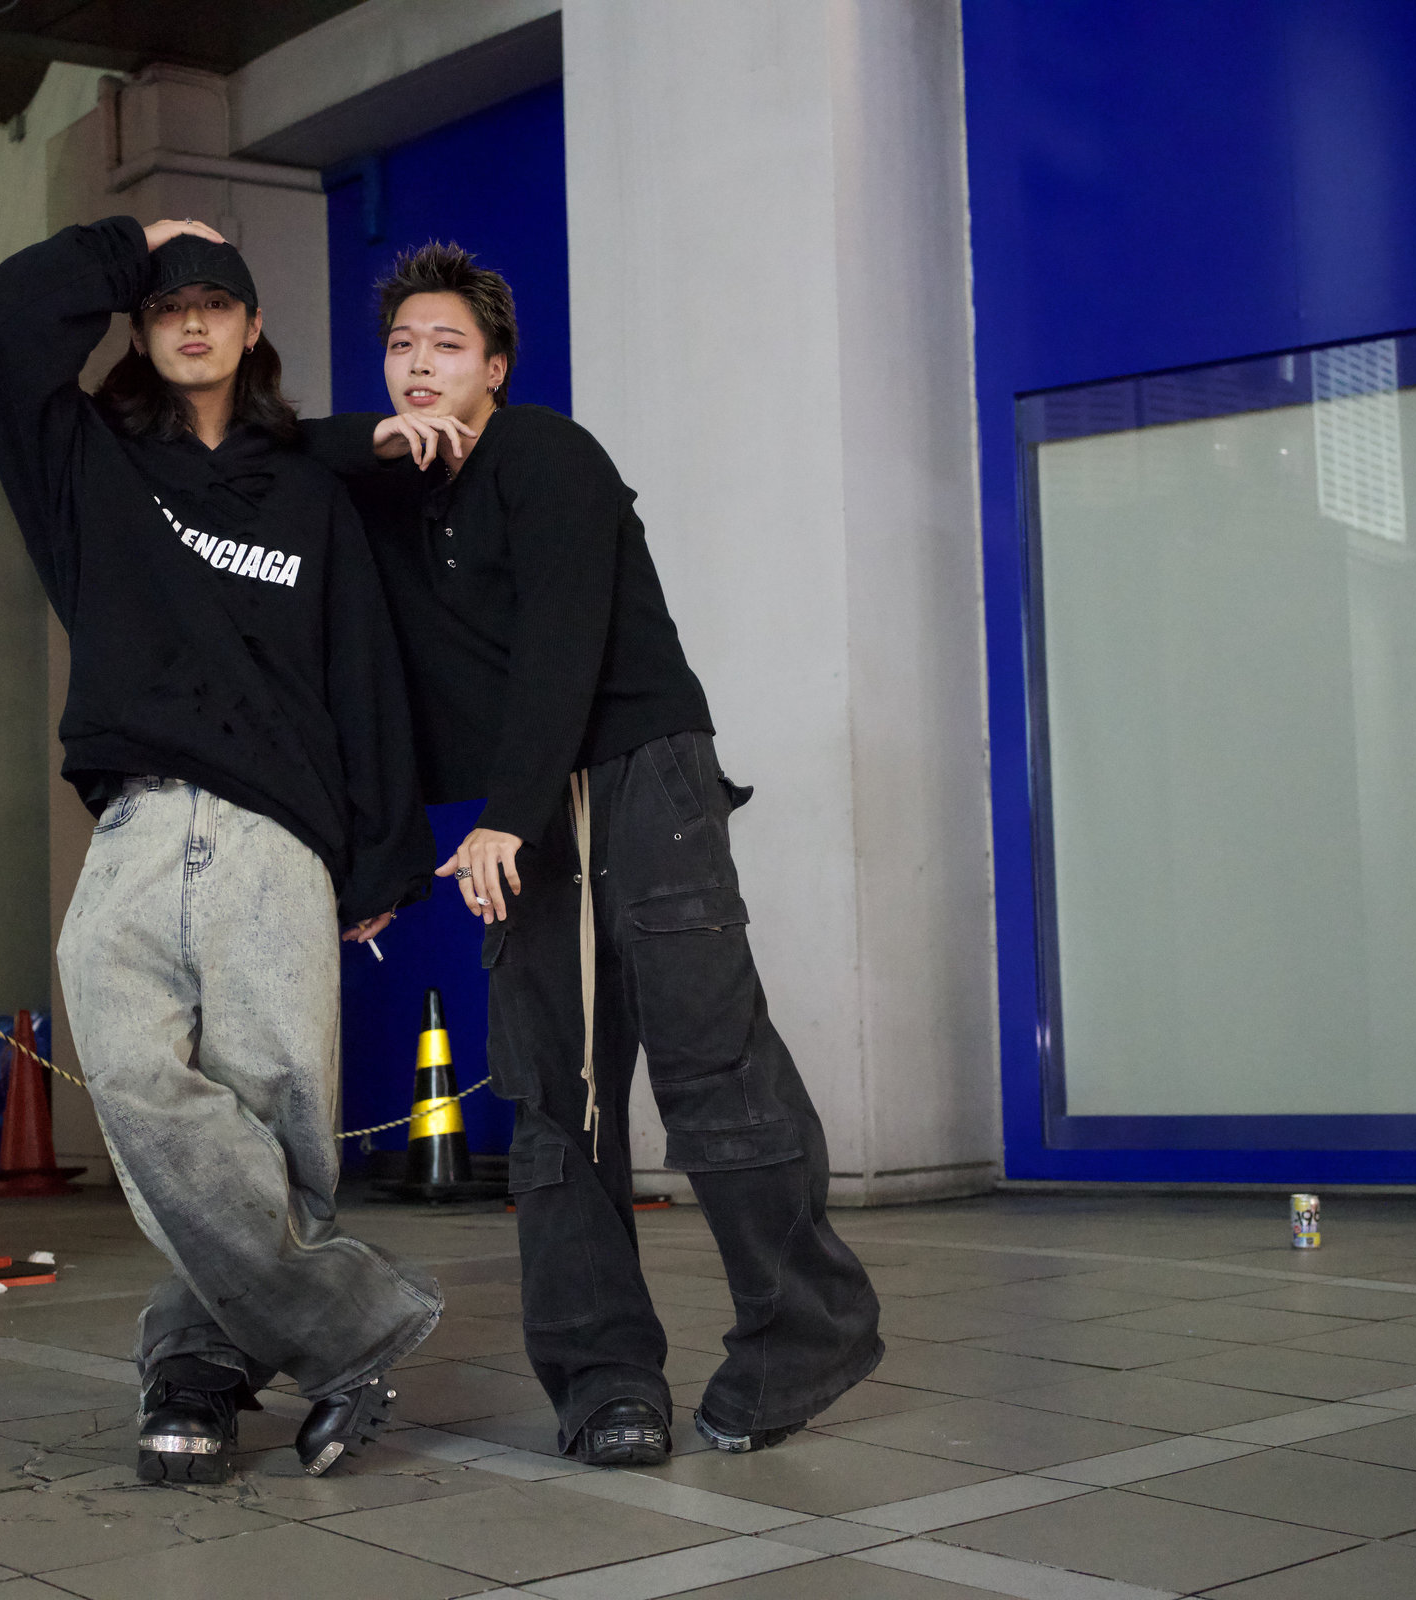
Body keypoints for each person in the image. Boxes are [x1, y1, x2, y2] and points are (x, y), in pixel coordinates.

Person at [300, 244, 883, 1466]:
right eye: (402, 346)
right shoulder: (390, 502)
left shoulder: (548, 453)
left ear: (496, 369)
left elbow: (563, 639)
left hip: (637, 777)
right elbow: (283, 483)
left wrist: (504, 815)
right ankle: (604, 1378)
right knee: (554, 1103)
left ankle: (809, 1326)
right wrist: (391, 867)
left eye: (446, 345)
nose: (418, 363)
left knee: (710, 1065)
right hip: (521, 812)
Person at [0, 215, 442, 1483]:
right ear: (138, 318)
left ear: (251, 325)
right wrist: (136, 240)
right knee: (133, 1078)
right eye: (165, 302)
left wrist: (381, 859)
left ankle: (194, 1366)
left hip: (280, 840)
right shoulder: (85, 462)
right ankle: (351, 1331)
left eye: (213, 301)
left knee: (275, 1117)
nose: (188, 319)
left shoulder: (308, 488)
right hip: (137, 820)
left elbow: (364, 673)